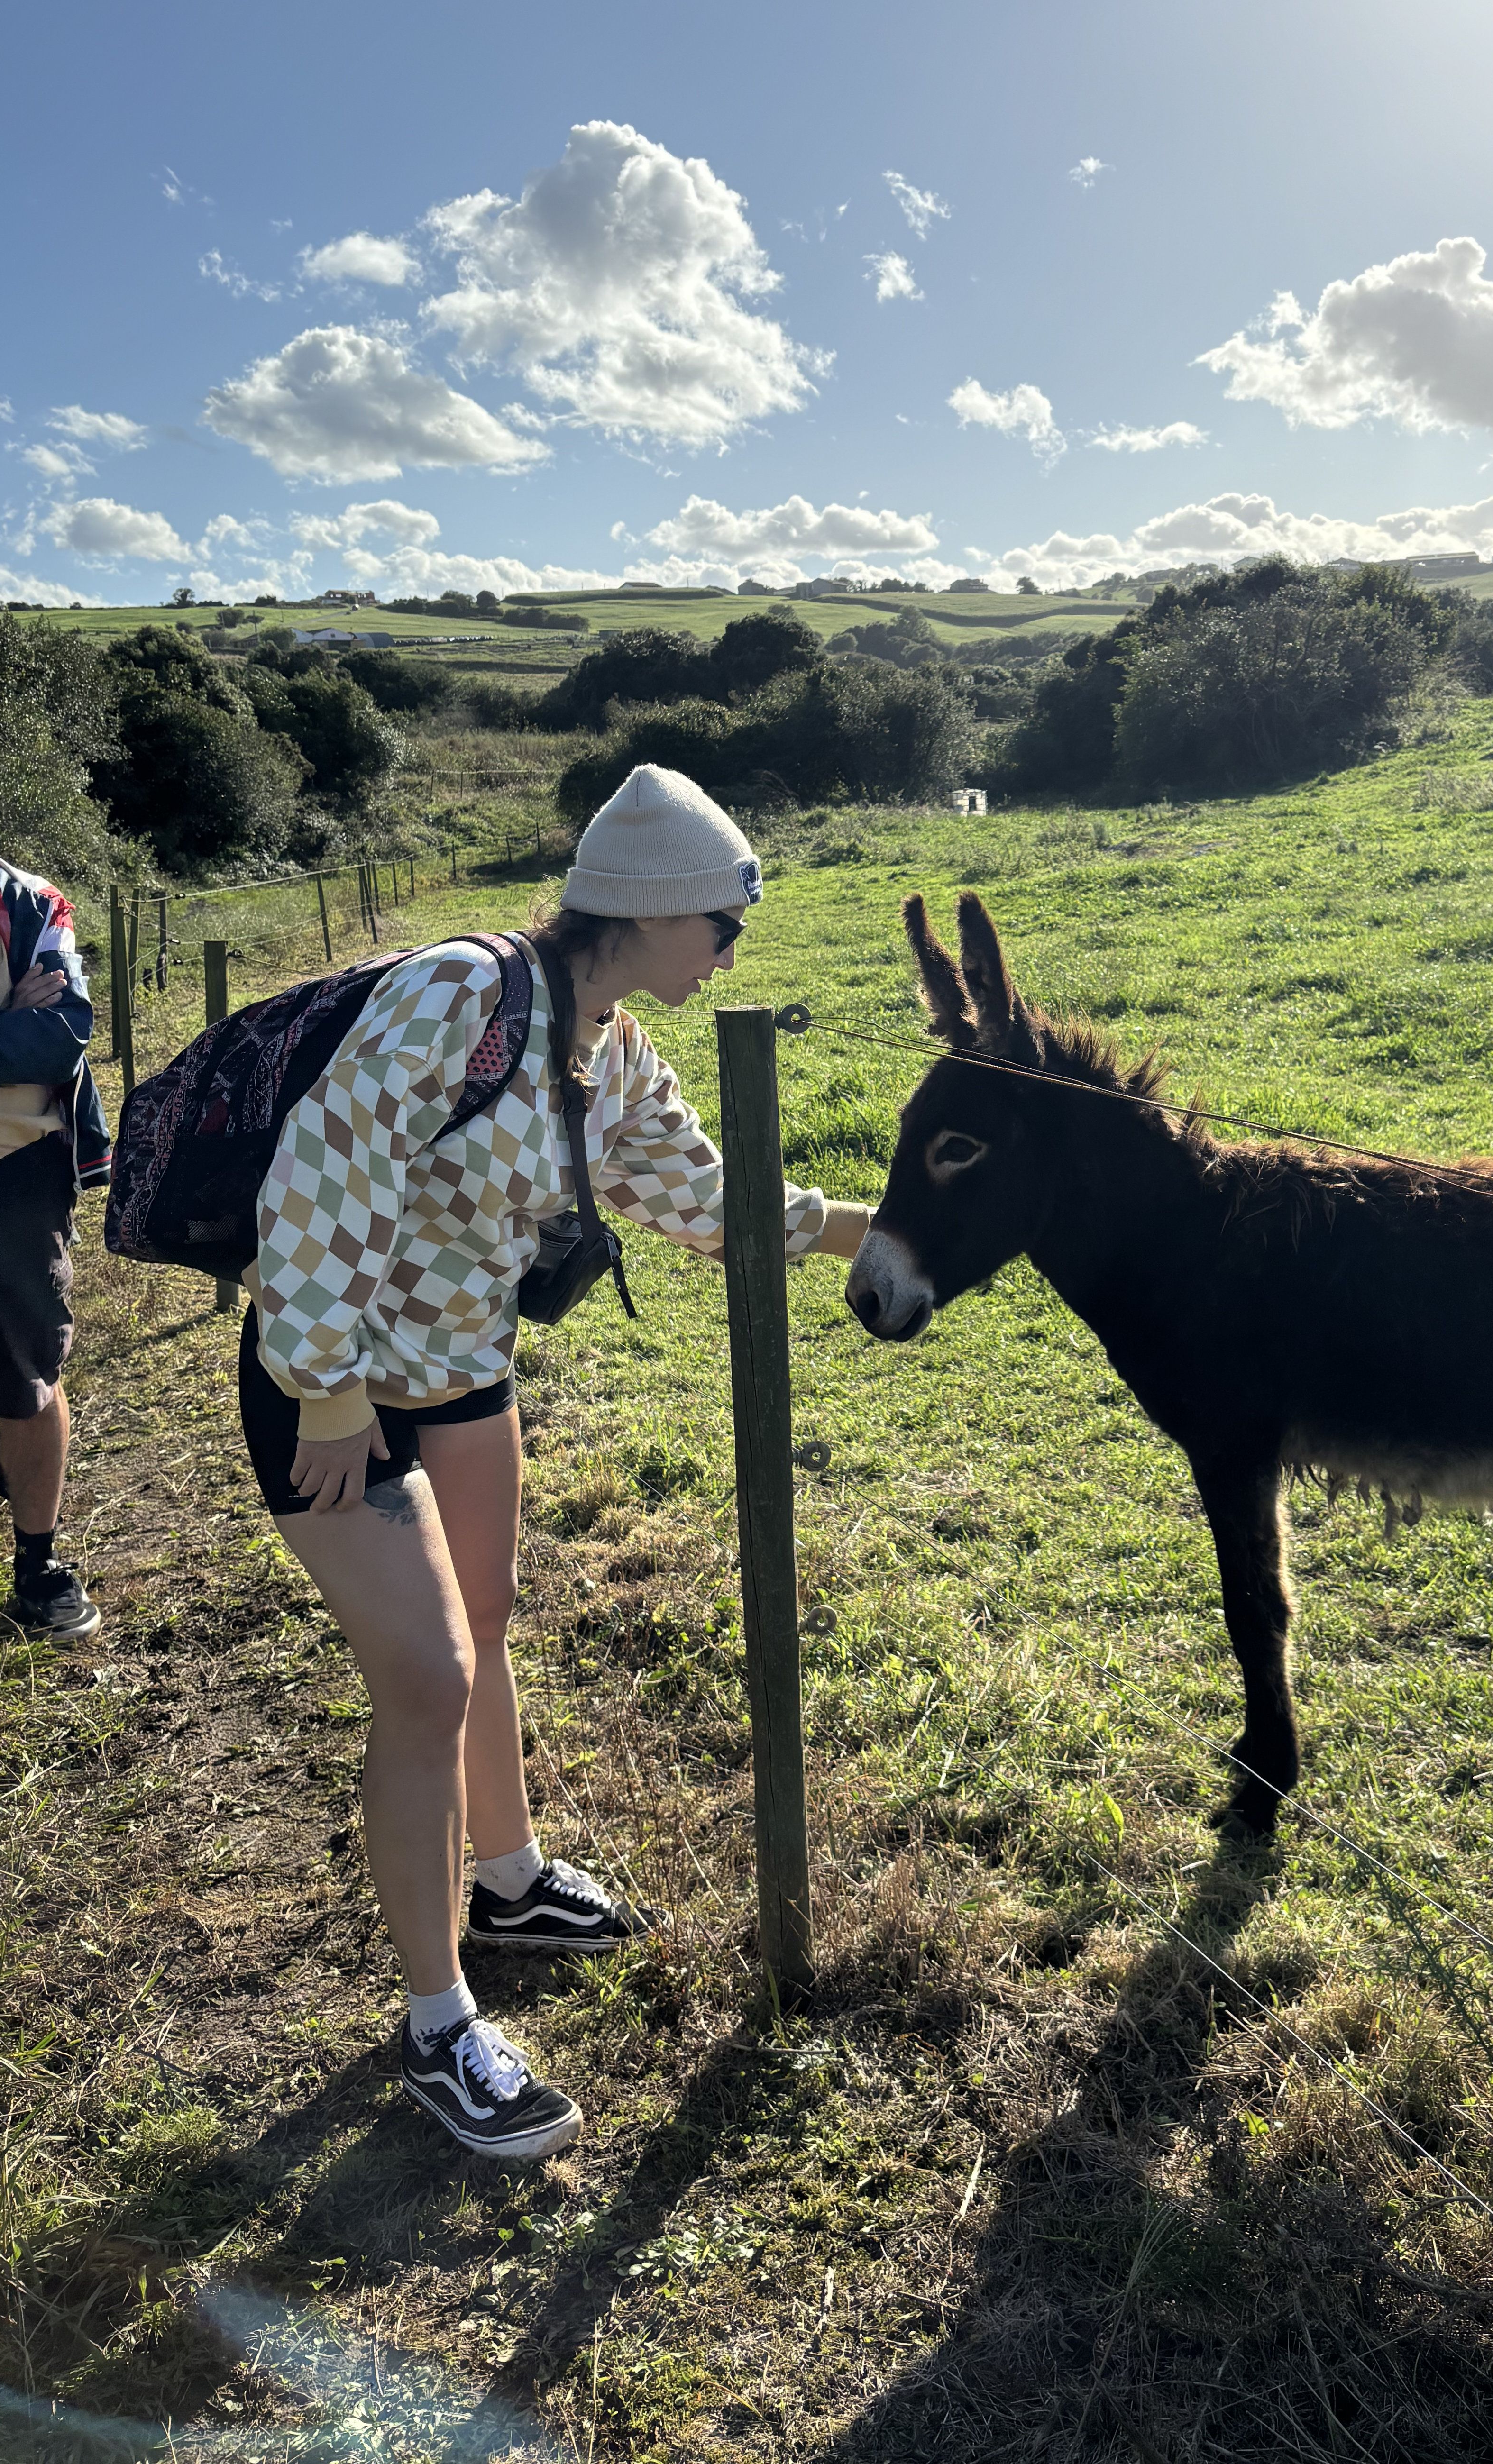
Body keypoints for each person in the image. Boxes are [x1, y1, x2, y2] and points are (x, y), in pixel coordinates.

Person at [242, 765, 871, 2162]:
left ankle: (510, 1879)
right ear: (648, 915)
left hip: (462, 1378)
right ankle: (435, 2023)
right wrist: (327, 1393)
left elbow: (703, 1199)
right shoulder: (459, 997)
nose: (732, 954)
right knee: (427, 1674)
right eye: (725, 925)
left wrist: (860, 1234)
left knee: (487, 1628)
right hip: (327, 1390)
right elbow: (318, 1177)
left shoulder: (611, 1047)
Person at [0, 780, 111, 1639]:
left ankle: (39, 1564)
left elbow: (63, 1031)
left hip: (10, 1171)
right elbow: (22, 1035)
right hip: (3, 1139)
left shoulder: (26, 899)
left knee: (24, 1371)